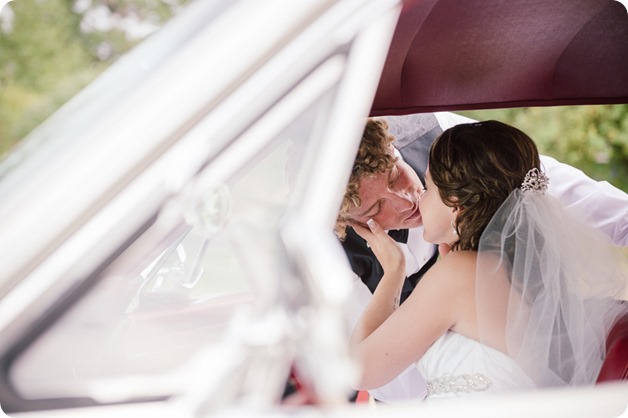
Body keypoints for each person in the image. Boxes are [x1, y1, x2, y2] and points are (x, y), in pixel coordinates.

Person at [337, 113, 628, 403]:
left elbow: (358, 370)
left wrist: (394, 271)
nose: (414, 199)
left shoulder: (457, 276)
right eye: (375, 209)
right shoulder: (515, 265)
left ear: (456, 205)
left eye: (428, 186)